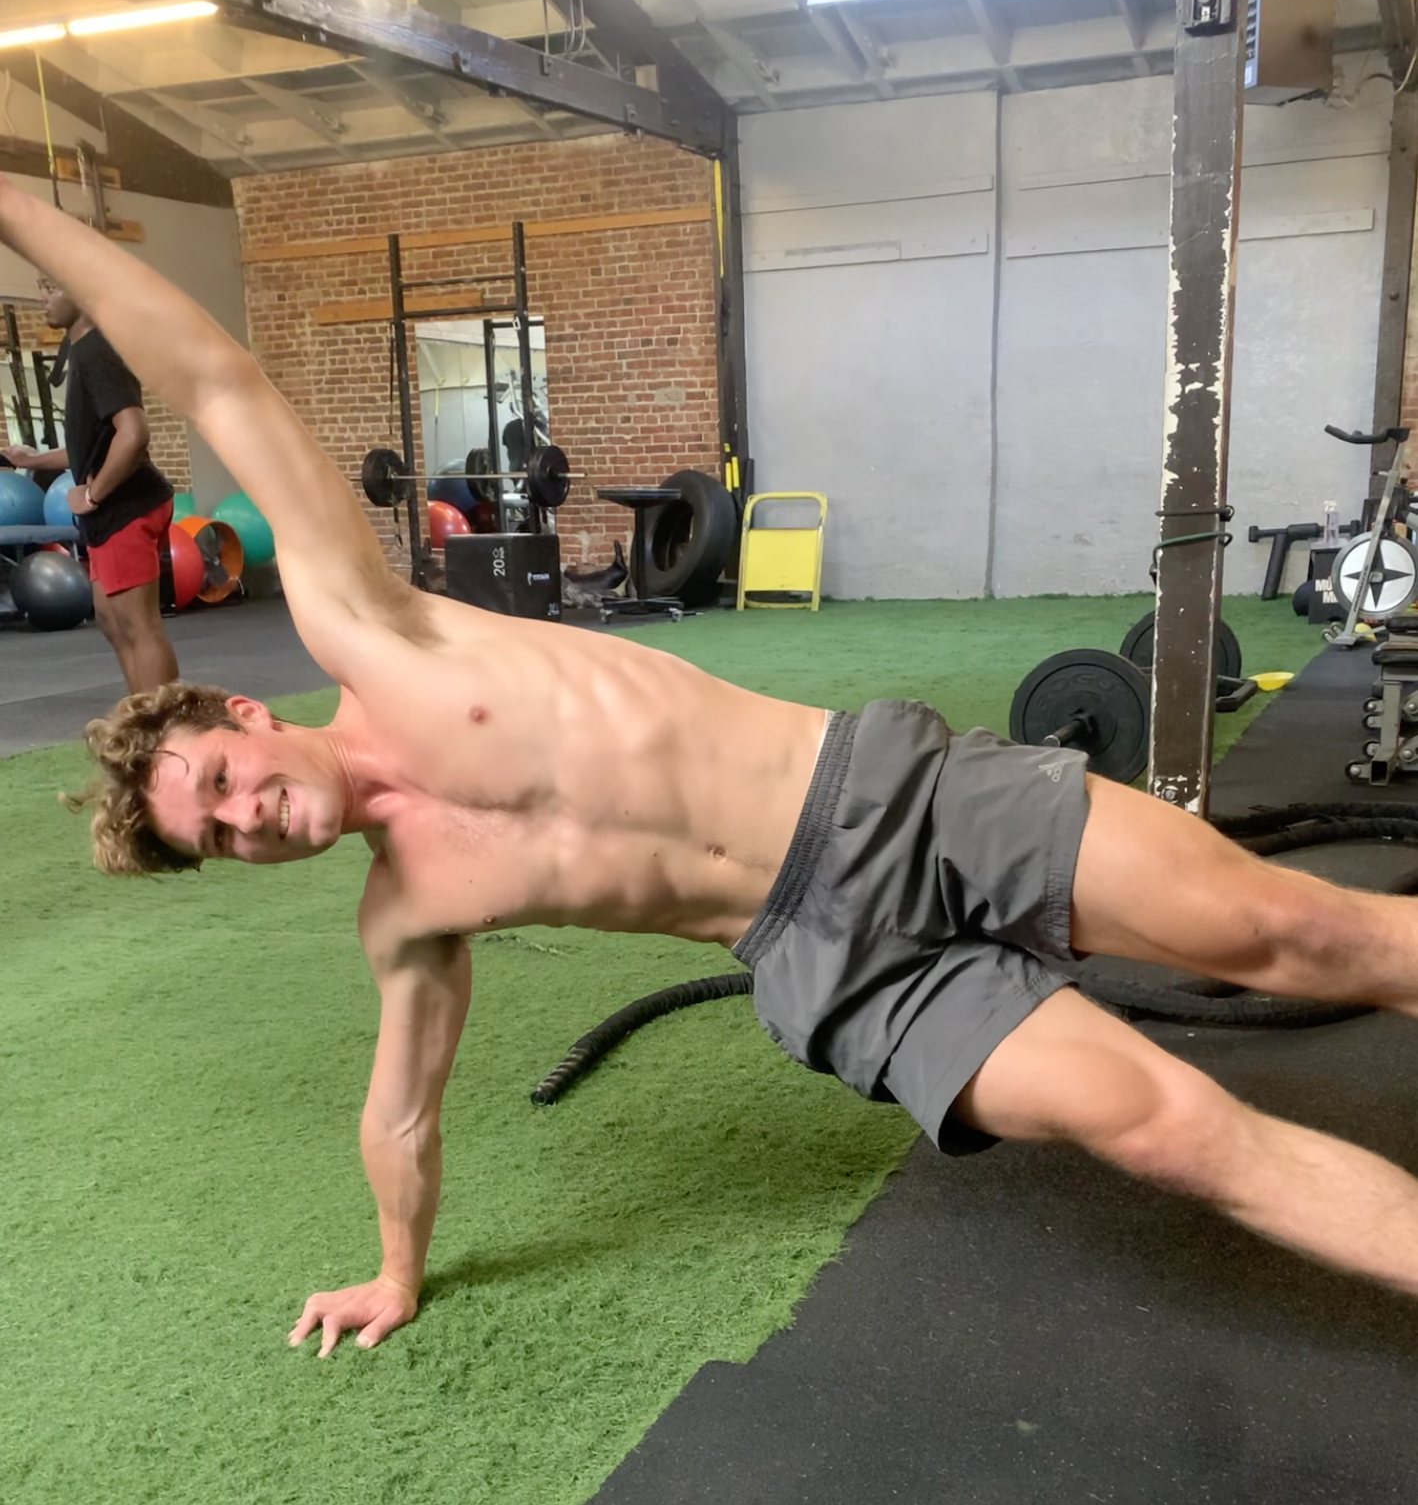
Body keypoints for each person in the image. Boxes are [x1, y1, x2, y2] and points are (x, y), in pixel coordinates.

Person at [5, 178, 1418, 1363]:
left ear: (245, 715)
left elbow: (215, 380)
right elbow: (402, 1108)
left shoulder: (371, 627)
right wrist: (392, 1267)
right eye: (221, 839)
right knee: (1170, 1130)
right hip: (826, 963)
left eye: (222, 783)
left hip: (884, 800)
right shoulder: (408, 912)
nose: (249, 819)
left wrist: (18, 206)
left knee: (1293, 934)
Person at [0, 271, 178, 694]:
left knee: (138, 625)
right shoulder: (82, 350)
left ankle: (169, 724)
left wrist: (93, 495)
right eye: (41, 288)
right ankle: (143, 717)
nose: (43, 298)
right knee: (113, 622)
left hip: (126, 505)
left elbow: (133, 433)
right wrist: (34, 459)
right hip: (111, 511)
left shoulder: (98, 351)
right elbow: (92, 444)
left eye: (52, 287)